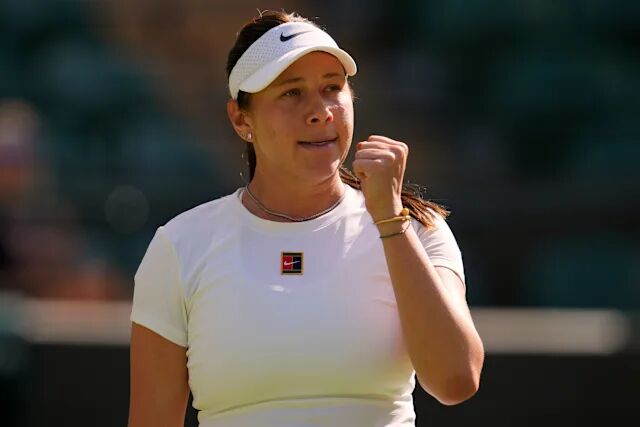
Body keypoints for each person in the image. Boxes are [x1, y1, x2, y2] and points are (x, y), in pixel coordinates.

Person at [128, 10, 484, 427]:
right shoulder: (180, 246)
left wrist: (390, 220)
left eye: (332, 88)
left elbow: (456, 380)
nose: (320, 112)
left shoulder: (416, 228)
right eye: (292, 93)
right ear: (241, 118)